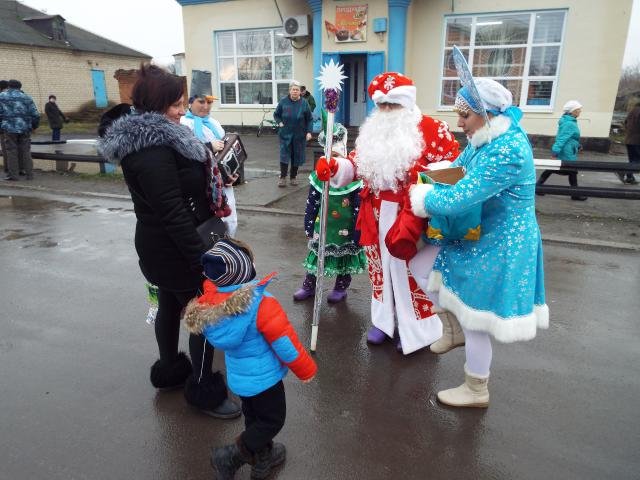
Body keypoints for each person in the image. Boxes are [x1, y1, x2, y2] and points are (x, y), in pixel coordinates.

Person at [99, 63, 240, 419]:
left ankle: (170, 370)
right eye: (177, 104)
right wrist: (202, 261)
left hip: (164, 245)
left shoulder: (163, 139)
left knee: (168, 304)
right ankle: (203, 388)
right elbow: (172, 212)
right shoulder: (150, 150)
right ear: (158, 105)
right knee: (206, 314)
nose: (182, 110)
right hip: (174, 247)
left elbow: (186, 187)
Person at [409, 77, 549, 408]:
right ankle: (452, 327)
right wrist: (434, 174)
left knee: (477, 318)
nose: (459, 123)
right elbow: (459, 170)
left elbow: (462, 196)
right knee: (420, 264)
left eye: (465, 115)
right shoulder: (484, 138)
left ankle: (476, 388)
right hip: (479, 232)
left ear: (485, 114)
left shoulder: (507, 149)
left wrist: (423, 197)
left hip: (502, 242)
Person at [315, 72, 460, 354]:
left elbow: (452, 168)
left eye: (393, 105)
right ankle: (384, 322)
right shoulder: (373, 131)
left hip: (414, 215)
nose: (386, 111)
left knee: (412, 273)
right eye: (382, 105)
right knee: (379, 271)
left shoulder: (432, 128)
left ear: (407, 103)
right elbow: (356, 164)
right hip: (375, 213)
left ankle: (418, 331)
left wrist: (424, 178)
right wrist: (335, 167)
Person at [183, 238, 317, 480]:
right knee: (272, 420)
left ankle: (262, 462)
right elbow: (286, 345)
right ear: (245, 270)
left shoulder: (211, 305)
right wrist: (306, 370)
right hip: (265, 380)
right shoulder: (262, 305)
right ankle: (230, 457)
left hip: (240, 379)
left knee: (255, 418)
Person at [293, 120, 367, 303]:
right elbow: (312, 201)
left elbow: (360, 205)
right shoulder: (320, 175)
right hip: (323, 226)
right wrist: (309, 223)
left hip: (346, 228)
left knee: (345, 258)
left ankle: (341, 287)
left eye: (336, 154)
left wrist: (359, 230)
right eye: (330, 154)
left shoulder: (353, 177)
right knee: (317, 256)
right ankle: (309, 286)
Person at [181, 92, 239, 236]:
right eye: (201, 102)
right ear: (190, 102)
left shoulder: (213, 123)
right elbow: (185, 156)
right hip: (201, 187)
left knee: (230, 223)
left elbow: (226, 153)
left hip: (222, 185)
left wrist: (232, 175)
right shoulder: (183, 124)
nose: (206, 107)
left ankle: (226, 253)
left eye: (209, 102)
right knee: (209, 228)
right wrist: (208, 146)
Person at [536, 100, 587, 201]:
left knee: (553, 169)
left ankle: (538, 187)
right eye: (578, 110)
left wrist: (578, 145)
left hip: (568, 149)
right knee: (571, 171)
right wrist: (555, 151)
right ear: (572, 111)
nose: (580, 111)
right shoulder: (570, 124)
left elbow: (570, 138)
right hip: (566, 152)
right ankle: (574, 194)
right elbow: (562, 138)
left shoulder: (568, 121)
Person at [273, 80, 312, 187]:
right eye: (293, 89)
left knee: (296, 156)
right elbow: (276, 115)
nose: (295, 91)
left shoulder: (304, 103)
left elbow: (309, 119)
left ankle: (293, 177)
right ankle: (282, 178)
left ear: (300, 92)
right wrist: (279, 122)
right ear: (290, 90)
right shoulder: (283, 102)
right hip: (285, 134)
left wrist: (309, 132)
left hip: (299, 135)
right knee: (284, 155)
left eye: (297, 90)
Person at [0, 79, 40, 181]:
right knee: (26, 151)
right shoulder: (27, 97)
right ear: (20, 87)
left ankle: (13, 175)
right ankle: (29, 175)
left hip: (9, 128)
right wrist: (33, 126)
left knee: (11, 152)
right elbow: (35, 115)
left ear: (9, 86)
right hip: (25, 128)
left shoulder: (2, 96)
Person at [618, 97, 640, 185]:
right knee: (637, 161)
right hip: (637, 141)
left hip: (629, 139)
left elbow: (625, 122)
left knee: (633, 160)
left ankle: (630, 177)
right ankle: (624, 171)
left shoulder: (634, 110)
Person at [0, 80, 8, 174]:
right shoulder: (22, 95)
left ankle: (8, 169)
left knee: (6, 149)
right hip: (21, 127)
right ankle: (21, 168)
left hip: (4, 127)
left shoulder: (1, 96)